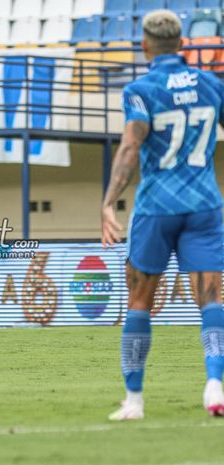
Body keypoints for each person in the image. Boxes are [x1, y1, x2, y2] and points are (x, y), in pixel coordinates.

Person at [101, 10, 224, 420]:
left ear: (145, 46)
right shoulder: (212, 84)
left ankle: (134, 400)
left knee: (139, 300)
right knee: (210, 298)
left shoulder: (141, 89)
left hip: (156, 207)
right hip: (205, 203)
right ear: (184, 44)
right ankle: (215, 383)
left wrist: (108, 201)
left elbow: (131, 148)